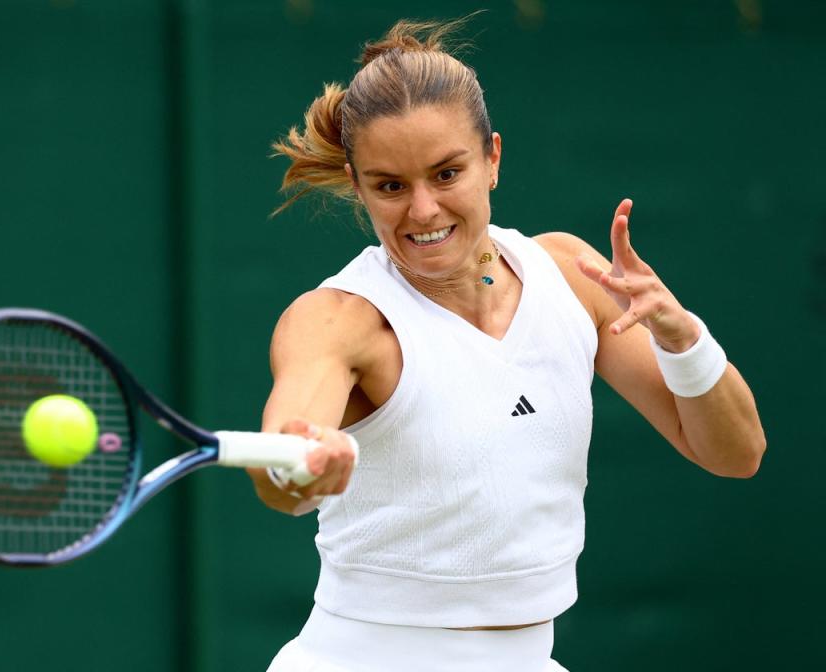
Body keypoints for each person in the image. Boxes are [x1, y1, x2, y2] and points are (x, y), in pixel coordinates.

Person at [247, 17, 766, 672]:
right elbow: (280, 473)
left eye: (446, 173)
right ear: (357, 186)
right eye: (390, 186)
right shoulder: (337, 321)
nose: (424, 211)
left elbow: (737, 453)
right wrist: (302, 467)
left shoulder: (574, 278)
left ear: (492, 158)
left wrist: (683, 338)